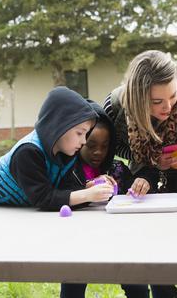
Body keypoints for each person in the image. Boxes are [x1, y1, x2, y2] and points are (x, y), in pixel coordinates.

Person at [104, 50, 177, 298]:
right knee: (149, 237)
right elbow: (112, 148)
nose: (168, 106)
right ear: (137, 98)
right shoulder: (116, 107)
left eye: (172, 96)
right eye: (156, 102)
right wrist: (150, 161)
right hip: (140, 175)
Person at [0, 87, 115, 210]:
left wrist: (89, 187)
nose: (84, 141)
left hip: (16, 207)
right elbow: (43, 199)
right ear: (61, 126)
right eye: (80, 133)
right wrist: (87, 195)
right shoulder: (28, 152)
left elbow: (65, 191)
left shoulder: (67, 151)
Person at [60, 101, 133, 298]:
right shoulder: (67, 170)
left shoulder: (117, 169)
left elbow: (131, 193)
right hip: (79, 241)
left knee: (136, 283)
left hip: (118, 239)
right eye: (91, 145)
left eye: (105, 146)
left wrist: (137, 187)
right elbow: (59, 195)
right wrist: (85, 190)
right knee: (73, 284)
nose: (98, 152)